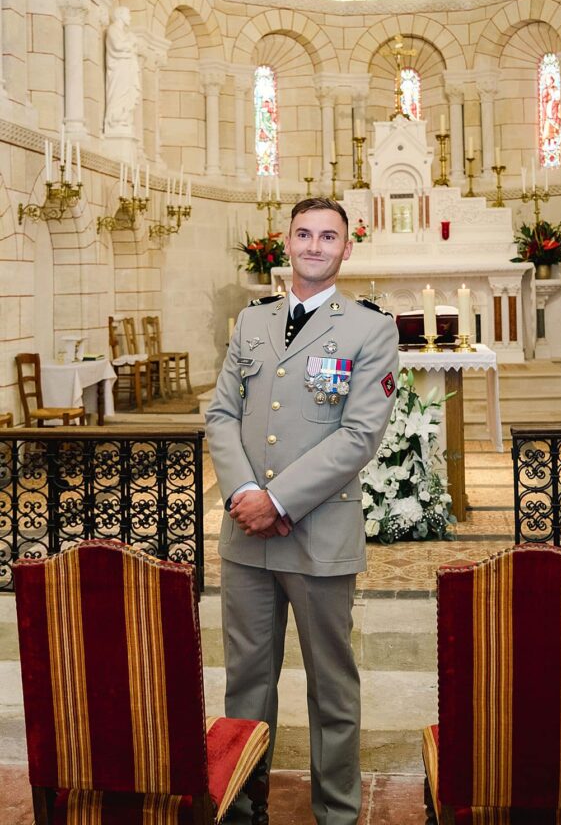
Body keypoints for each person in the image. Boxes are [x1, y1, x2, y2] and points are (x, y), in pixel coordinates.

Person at [205, 197, 399, 825]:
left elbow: (359, 434)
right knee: (246, 684)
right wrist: (243, 496)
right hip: (247, 537)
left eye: (329, 237)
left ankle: (337, 812)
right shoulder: (250, 322)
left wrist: (278, 499)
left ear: (347, 249)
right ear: (285, 242)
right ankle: (242, 806)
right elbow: (221, 414)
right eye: (304, 234)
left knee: (332, 688)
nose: (315, 246)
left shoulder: (370, 329)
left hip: (317, 532)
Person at [104, 6, 140, 134]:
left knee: (127, 93)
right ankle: (115, 119)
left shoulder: (124, 33)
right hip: (118, 69)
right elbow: (118, 46)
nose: (130, 17)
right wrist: (131, 42)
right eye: (128, 14)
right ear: (120, 15)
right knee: (118, 92)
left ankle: (123, 118)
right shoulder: (113, 29)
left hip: (126, 68)